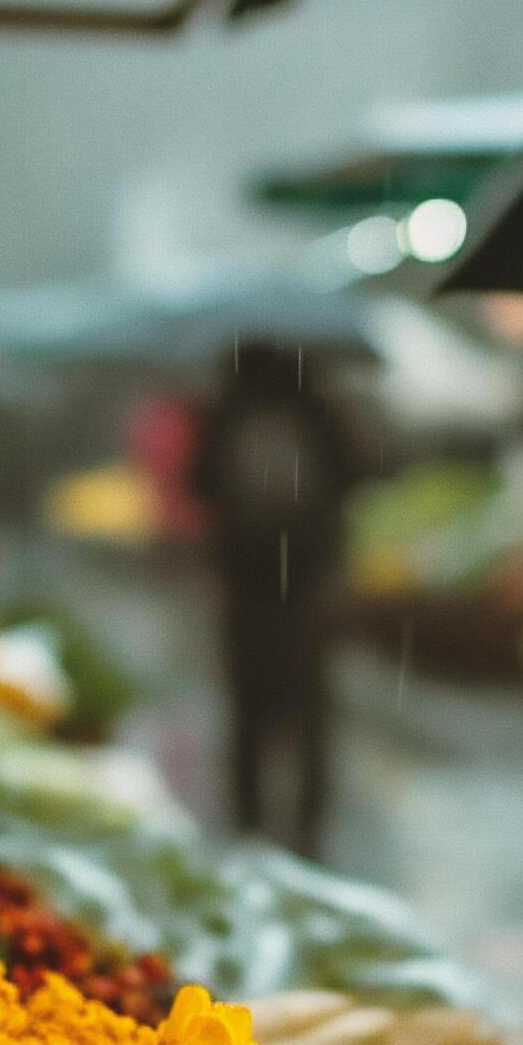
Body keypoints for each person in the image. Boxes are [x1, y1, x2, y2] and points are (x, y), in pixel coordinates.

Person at [190, 343, 357, 855]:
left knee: (250, 704)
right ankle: (306, 827)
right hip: (301, 579)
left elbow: (201, 484)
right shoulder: (317, 410)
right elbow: (357, 474)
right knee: (306, 706)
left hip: (251, 580)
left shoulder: (230, 412)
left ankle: (252, 824)